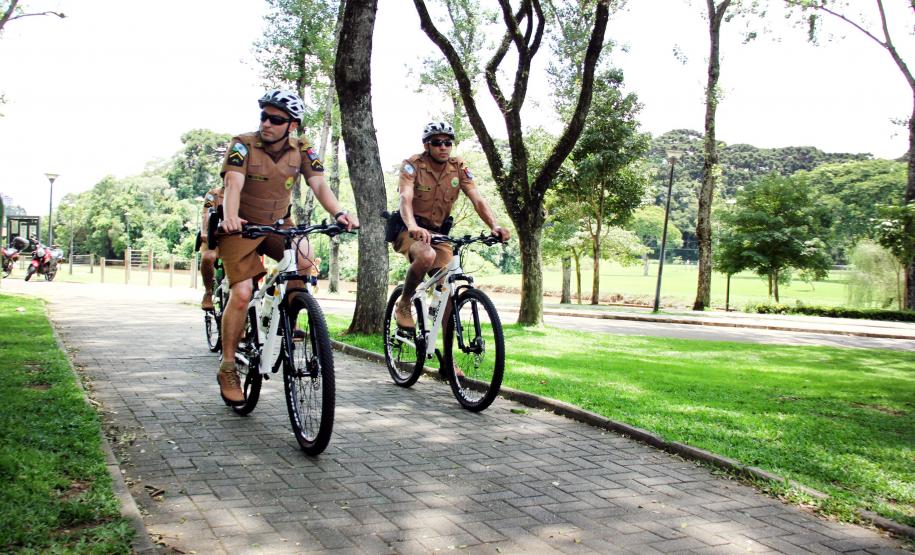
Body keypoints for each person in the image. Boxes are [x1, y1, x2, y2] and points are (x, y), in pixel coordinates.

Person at [216, 89, 359, 405]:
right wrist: (228, 218)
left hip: (279, 224)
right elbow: (232, 184)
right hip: (240, 226)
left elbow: (319, 184)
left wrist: (339, 212)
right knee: (241, 294)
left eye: (276, 119)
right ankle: (228, 366)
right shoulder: (243, 143)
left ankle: (289, 323)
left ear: (291, 125)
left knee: (305, 258)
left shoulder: (303, 149)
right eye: (264, 117)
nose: (267, 123)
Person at [392, 121, 510, 335]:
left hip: (438, 234)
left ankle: (448, 360)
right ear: (426, 145)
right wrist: (412, 226)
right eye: (437, 142)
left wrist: (495, 225)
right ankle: (404, 302)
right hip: (409, 229)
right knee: (426, 255)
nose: (444, 147)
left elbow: (478, 200)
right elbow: (405, 197)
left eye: (448, 142)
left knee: (447, 289)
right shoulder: (412, 165)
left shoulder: (458, 167)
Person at [198, 187, 223, 310]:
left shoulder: (245, 194)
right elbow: (206, 212)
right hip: (213, 237)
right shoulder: (212, 195)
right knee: (208, 257)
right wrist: (204, 231)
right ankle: (208, 292)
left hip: (236, 238)